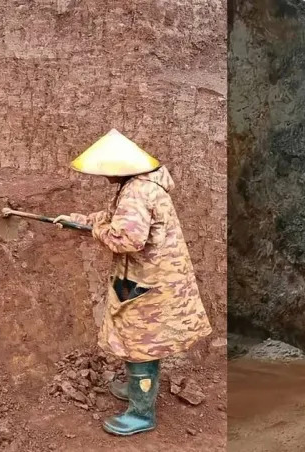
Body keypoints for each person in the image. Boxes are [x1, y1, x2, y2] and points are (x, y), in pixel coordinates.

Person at [52, 129, 212, 436]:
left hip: (150, 283)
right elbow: (116, 219)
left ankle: (141, 412)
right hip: (146, 278)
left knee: (142, 343)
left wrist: (96, 231)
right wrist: (79, 220)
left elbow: (126, 238)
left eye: (106, 172)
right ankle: (137, 389)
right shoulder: (140, 186)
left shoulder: (138, 192)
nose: (104, 178)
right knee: (134, 337)